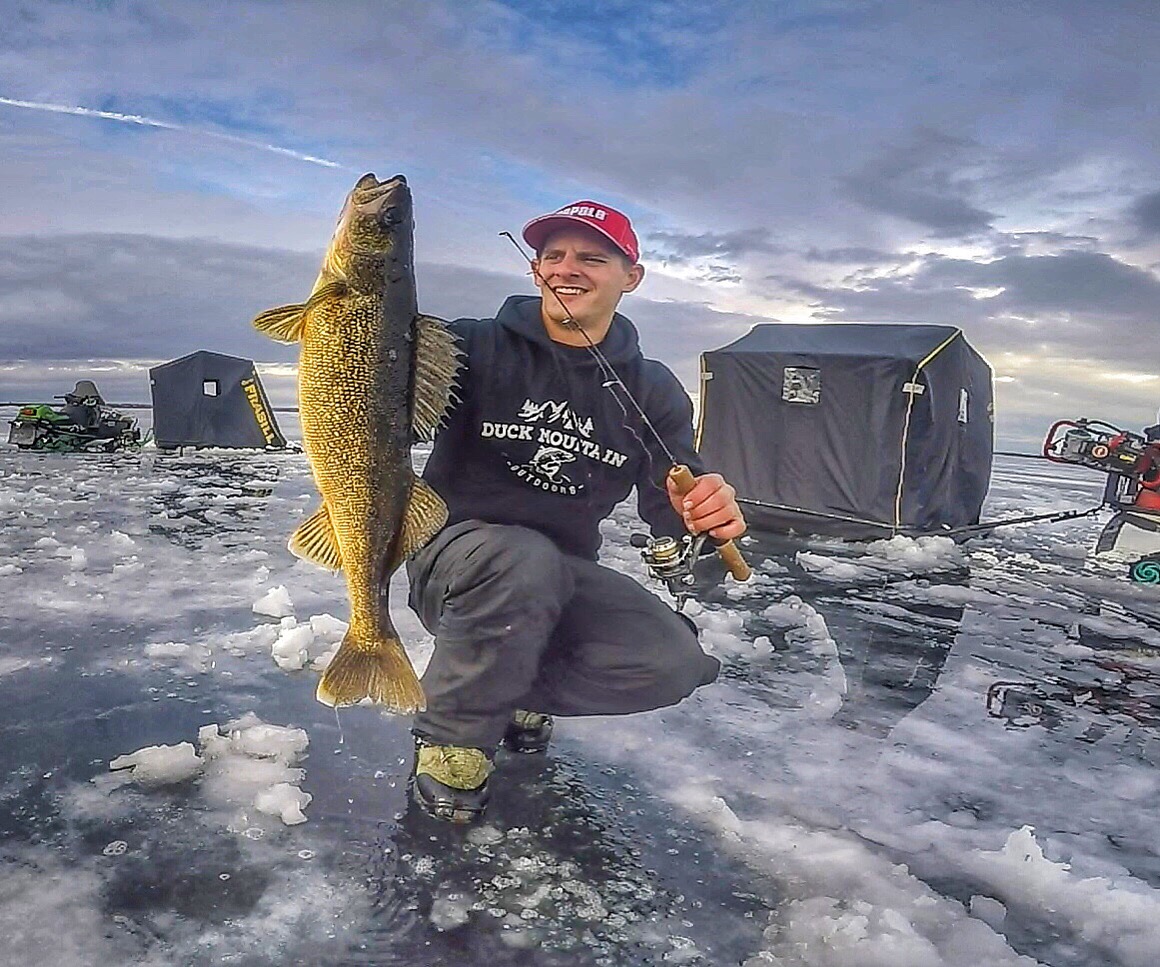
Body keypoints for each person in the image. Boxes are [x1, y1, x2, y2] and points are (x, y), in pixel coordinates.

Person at [406, 200, 747, 822]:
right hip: (455, 560)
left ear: (631, 276)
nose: (568, 269)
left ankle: (505, 684)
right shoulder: (468, 345)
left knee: (674, 662)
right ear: (535, 270)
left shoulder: (653, 389)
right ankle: (454, 738)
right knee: (520, 559)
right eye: (553, 256)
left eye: (592, 257)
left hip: (559, 578)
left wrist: (703, 513)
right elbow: (389, 404)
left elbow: (672, 503)